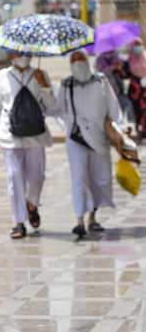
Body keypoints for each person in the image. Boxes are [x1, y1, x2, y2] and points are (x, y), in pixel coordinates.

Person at [53, 49, 124, 237]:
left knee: (99, 177)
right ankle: (79, 219)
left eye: (80, 58)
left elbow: (113, 108)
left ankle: (92, 217)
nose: (77, 62)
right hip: (76, 139)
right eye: (73, 59)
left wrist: (120, 131)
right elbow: (57, 110)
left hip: (99, 137)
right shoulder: (66, 85)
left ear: (86, 59)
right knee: (79, 178)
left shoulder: (101, 81)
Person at [0, 52, 56, 238]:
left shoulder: (41, 74)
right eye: (19, 52)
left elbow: (52, 106)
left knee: (37, 177)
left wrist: (45, 85)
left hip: (36, 135)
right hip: (10, 136)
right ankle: (19, 222)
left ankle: (32, 204)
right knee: (14, 178)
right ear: (10, 53)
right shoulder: (2, 76)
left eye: (27, 52)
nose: (23, 56)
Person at [118, 38, 146, 144]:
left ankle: (144, 133)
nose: (138, 47)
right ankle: (138, 129)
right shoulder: (129, 61)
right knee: (136, 112)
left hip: (145, 91)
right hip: (134, 91)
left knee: (145, 111)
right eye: (136, 45)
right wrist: (120, 69)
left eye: (140, 44)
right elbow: (125, 76)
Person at [95, 50, 131, 118]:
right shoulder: (100, 60)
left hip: (119, 90)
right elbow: (100, 74)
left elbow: (125, 74)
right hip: (106, 91)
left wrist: (120, 69)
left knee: (120, 112)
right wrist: (113, 67)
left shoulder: (119, 58)